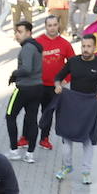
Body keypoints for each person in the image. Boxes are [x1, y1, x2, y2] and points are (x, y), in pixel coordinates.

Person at [51, 33, 97, 185]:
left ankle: (86, 172)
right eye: (83, 46)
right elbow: (58, 77)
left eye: (88, 46)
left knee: (88, 141)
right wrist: (58, 86)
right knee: (66, 139)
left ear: (95, 47)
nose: (85, 49)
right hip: (72, 103)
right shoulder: (73, 62)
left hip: (90, 105)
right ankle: (67, 167)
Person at [5, 21, 43, 164]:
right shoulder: (36, 46)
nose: (17, 35)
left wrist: (14, 73)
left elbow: (27, 68)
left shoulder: (27, 48)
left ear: (29, 33)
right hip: (37, 87)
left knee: (10, 116)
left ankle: (14, 151)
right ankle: (30, 153)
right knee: (32, 120)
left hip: (24, 88)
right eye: (16, 32)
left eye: (20, 32)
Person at [35, 13, 73, 149]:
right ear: (45, 26)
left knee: (48, 113)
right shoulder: (37, 42)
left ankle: (44, 139)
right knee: (32, 112)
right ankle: (26, 137)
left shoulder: (65, 44)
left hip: (55, 87)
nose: (52, 28)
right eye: (49, 25)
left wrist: (66, 80)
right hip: (38, 85)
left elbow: (73, 65)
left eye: (55, 25)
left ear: (59, 25)